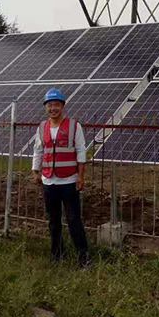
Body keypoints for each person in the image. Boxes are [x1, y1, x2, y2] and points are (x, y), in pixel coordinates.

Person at [31, 88, 91, 267]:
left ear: (62, 106)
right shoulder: (42, 127)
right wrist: (36, 171)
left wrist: (81, 176)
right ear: (45, 108)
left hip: (69, 181)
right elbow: (38, 149)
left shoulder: (74, 126)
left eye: (56, 105)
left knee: (74, 220)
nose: (53, 108)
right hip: (49, 181)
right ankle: (57, 254)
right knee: (53, 220)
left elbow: (81, 151)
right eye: (49, 105)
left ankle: (83, 256)